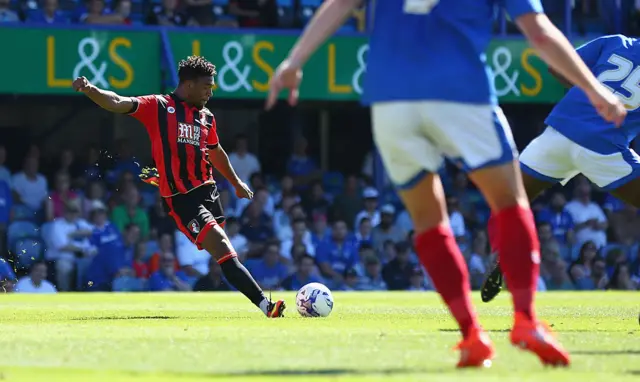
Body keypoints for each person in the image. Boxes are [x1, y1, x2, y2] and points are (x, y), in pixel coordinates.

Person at [264, 0, 627, 368]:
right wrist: (595, 91)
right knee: (510, 202)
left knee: (429, 221)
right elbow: (539, 32)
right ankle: (526, 322)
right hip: (461, 92)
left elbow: (341, 3)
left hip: (391, 99)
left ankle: (471, 336)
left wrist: (294, 62)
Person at [72, 55, 285, 318]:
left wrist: (236, 182)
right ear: (188, 84)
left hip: (208, 192)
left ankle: (262, 303)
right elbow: (117, 102)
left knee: (224, 253)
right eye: (206, 85)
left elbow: (215, 150)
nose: (210, 91)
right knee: (222, 247)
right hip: (181, 198)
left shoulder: (206, 117)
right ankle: (266, 305)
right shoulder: (159, 106)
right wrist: (91, 89)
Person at [483, 34, 640, 303]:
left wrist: (586, 94)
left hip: (558, 135)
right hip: (604, 146)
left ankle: (503, 254)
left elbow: (556, 66)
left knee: (507, 200)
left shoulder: (614, 41)